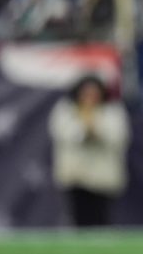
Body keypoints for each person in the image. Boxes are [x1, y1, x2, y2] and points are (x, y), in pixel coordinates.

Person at [49, 75, 130, 227]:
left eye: (94, 93)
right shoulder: (66, 110)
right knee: (78, 218)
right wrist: (83, 130)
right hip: (75, 177)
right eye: (86, 93)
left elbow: (118, 137)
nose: (90, 97)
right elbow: (64, 134)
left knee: (102, 219)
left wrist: (96, 130)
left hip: (103, 178)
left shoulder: (112, 112)